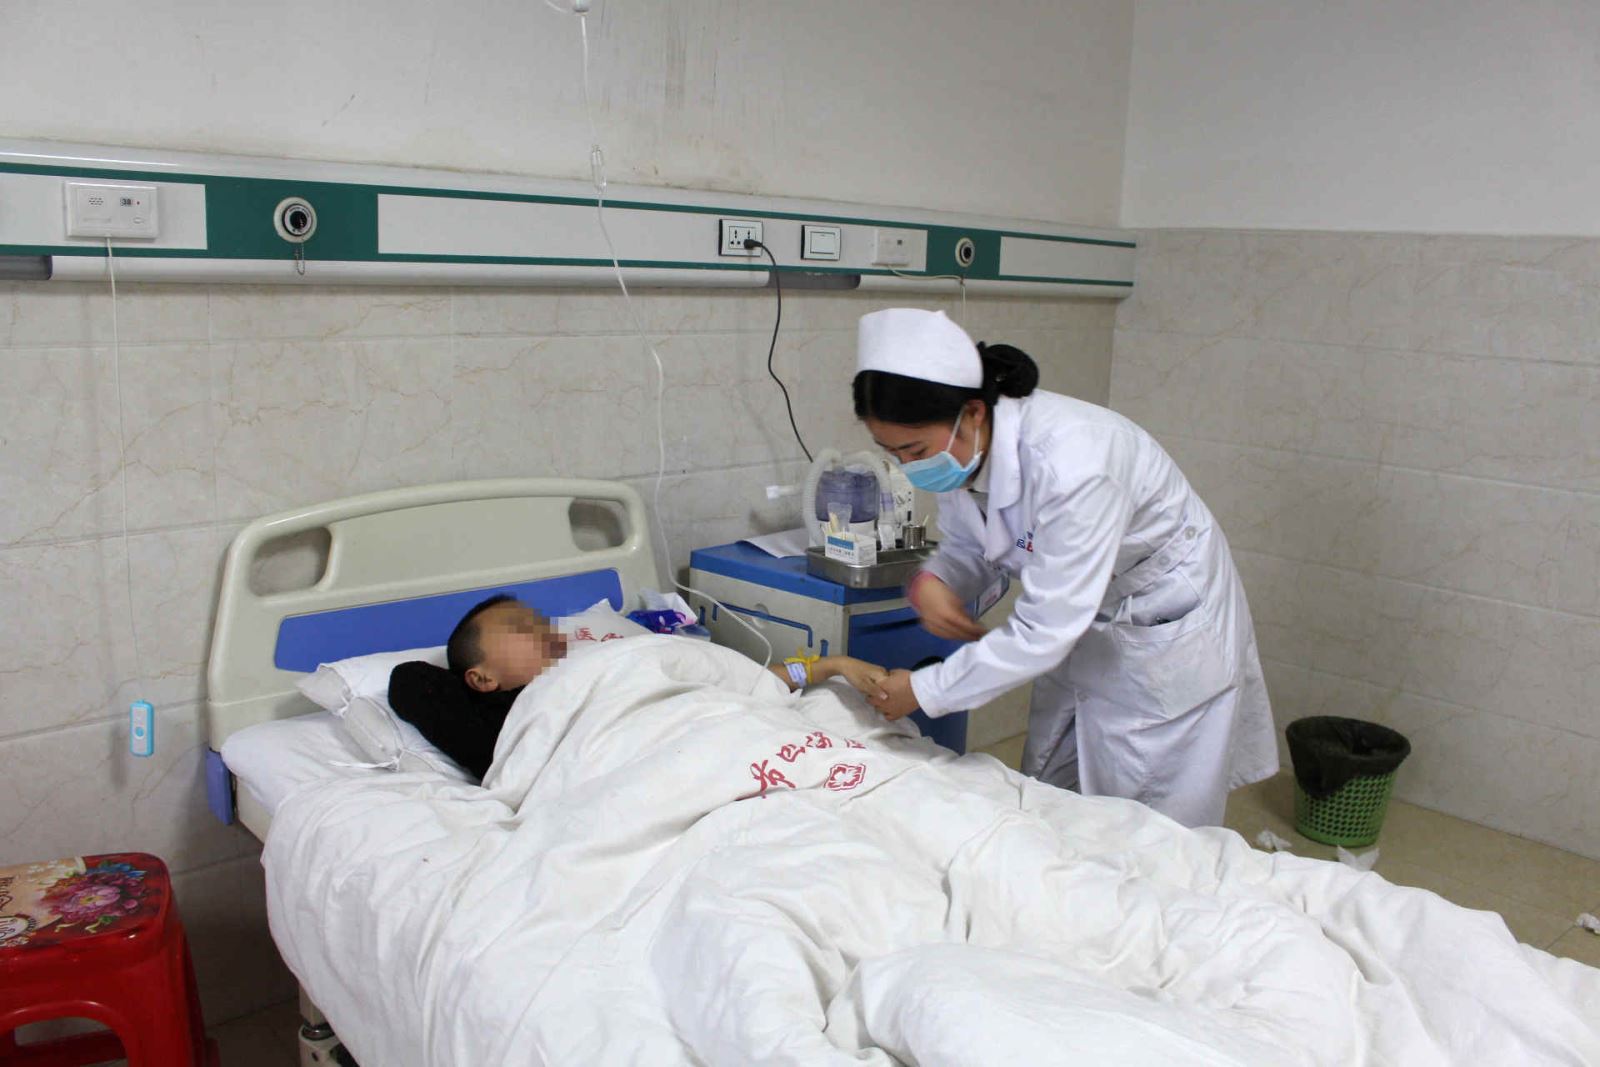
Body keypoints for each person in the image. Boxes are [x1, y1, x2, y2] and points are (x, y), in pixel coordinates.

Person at [854, 308, 1277, 827]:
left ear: (974, 413)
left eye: (915, 450)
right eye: (892, 453)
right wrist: (938, 580)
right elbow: (972, 542)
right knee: (1055, 788)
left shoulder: (1076, 462)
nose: (909, 467)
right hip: (1084, 619)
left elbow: (1045, 632)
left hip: (1158, 618)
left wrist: (924, 690)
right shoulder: (967, 457)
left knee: (1150, 822)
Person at [390, 595, 892, 779]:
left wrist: (831, 666)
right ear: (481, 678)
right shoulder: (500, 722)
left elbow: (741, 681)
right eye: (521, 628)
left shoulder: (619, 659)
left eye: (540, 622)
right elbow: (409, 680)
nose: (544, 630)